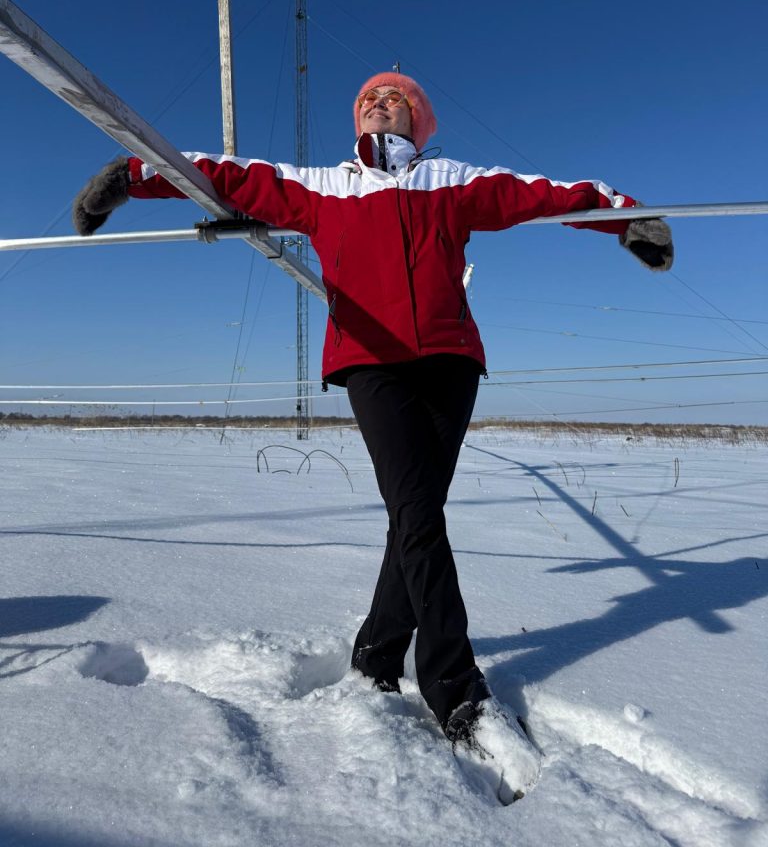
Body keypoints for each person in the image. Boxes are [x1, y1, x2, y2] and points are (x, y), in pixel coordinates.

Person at [72, 71, 672, 764]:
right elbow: (221, 175)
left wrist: (625, 217)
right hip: (370, 359)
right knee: (418, 514)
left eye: (393, 98)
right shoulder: (326, 187)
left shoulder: (452, 179)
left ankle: (377, 653)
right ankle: (454, 686)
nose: (376, 104)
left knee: (414, 515)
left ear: (419, 118)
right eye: (365, 99)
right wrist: (129, 175)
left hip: (450, 359)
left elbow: (543, 194)